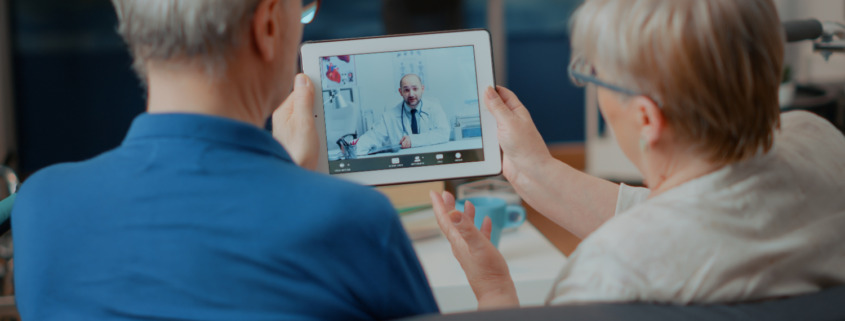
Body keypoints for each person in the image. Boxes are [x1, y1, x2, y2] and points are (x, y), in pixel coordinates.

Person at [12, 0, 438, 320]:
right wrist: (494, 292)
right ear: (268, 25)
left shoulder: (39, 207)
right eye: (301, 9)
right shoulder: (356, 219)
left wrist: (289, 179)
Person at [430, 0, 845, 310]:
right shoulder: (822, 141)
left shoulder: (609, 274)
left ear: (646, 117)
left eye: (593, 74)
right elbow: (696, 210)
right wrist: (533, 169)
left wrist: (493, 289)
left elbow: (671, 232)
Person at [355, 73, 450, 155]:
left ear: (422, 89)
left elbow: (444, 134)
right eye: (406, 90)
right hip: (403, 165)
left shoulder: (435, 108)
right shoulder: (389, 116)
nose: (411, 94)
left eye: (415, 89)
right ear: (401, 92)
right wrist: (351, 147)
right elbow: (373, 137)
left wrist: (413, 141)